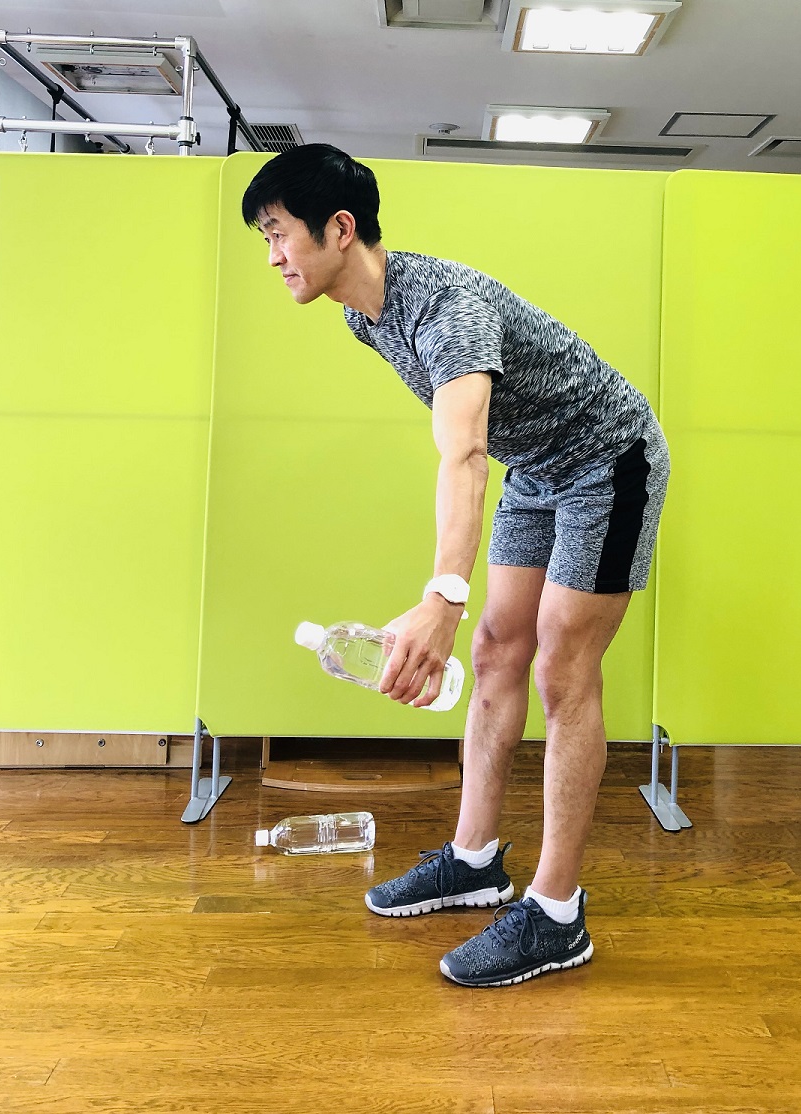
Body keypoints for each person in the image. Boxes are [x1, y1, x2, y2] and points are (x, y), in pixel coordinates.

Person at [242, 144, 669, 988]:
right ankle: (474, 861)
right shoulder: (363, 316)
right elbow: (467, 440)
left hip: (607, 460)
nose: (273, 256)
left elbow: (464, 452)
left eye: (279, 233)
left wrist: (442, 594)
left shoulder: (447, 309)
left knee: (562, 668)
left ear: (339, 228)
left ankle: (556, 913)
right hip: (538, 470)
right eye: (265, 239)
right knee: (496, 651)